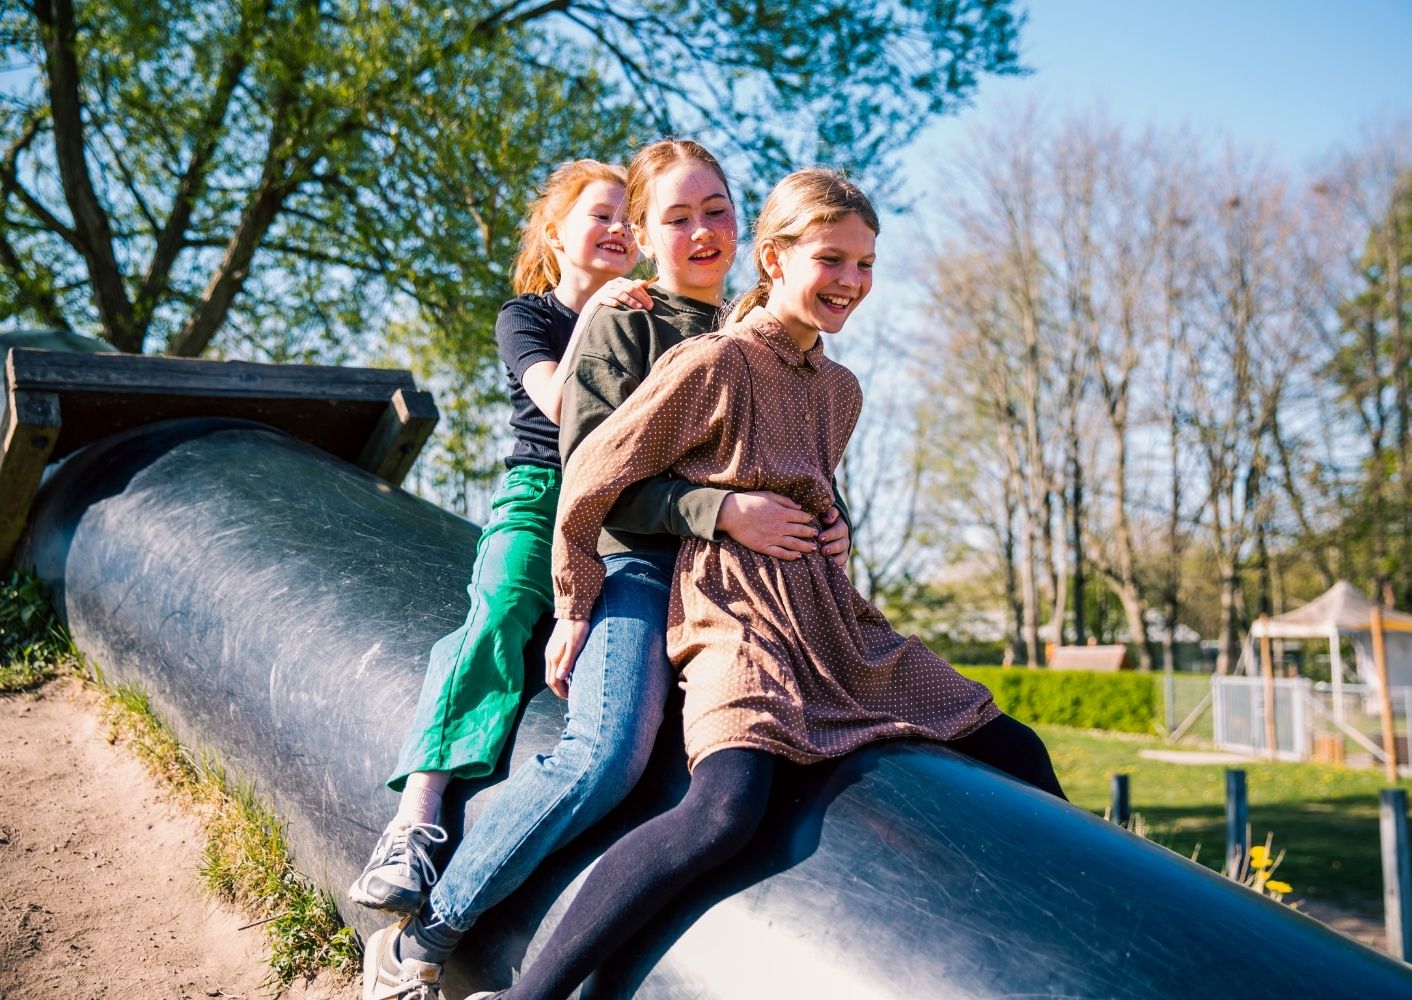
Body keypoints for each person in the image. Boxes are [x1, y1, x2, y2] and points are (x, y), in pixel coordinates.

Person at [472, 168, 1067, 1000]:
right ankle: (530, 995)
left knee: (1016, 746)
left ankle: (1073, 947)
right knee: (724, 813)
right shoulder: (709, 361)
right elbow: (591, 480)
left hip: (831, 621)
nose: (852, 284)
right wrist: (578, 600)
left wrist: (834, 525)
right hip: (734, 614)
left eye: (865, 265)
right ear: (775, 258)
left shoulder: (841, 390)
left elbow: (810, 484)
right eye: (833, 260)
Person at [360, 141, 851, 1000]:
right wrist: (693, 528)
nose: (702, 231)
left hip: (740, 592)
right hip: (640, 567)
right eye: (677, 217)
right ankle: (427, 933)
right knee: (607, 753)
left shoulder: (761, 332)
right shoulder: (625, 321)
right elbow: (594, 482)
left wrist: (828, 526)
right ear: (643, 232)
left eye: (717, 211)